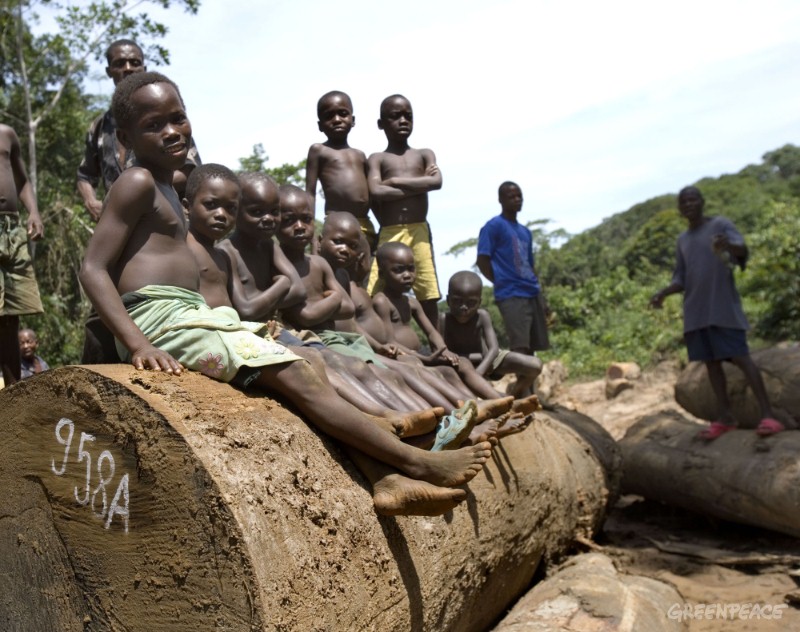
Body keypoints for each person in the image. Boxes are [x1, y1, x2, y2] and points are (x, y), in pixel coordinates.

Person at [78, 71, 492, 516]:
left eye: (178, 118)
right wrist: (138, 344)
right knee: (292, 372)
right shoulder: (137, 182)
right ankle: (417, 463)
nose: (172, 131)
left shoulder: (169, 185)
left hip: (192, 314)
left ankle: (384, 477)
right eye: (154, 125)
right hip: (160, 319)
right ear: (125, 138)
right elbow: (93, 268)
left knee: (311, 361)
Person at [650, 185, 782, 439]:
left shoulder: (720, 225)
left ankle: (768, 415)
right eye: (683, 202)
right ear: (679, 209)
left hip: (722, 308)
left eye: (692, 199)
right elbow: (681, 277)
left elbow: (742, 250)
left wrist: (728, 245)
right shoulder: (682, 240)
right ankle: (725, 417)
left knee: (742, 358)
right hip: (696, 312)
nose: (688, 204)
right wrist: (663, 293)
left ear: (702, 202)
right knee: (711, 364)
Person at [76, 39, 201, 222]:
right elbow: (85, 175)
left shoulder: (166, 115)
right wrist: (91, 201)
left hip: (170, 218)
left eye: (135, 63)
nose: (128, 68)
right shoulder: (100, 126)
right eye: (120, 63)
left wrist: (136, 191)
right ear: (109, 71)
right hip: (122, 222)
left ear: (143, 68)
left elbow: (190, 170)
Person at [366, 94, 442, 327]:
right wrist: (420, 186)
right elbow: (376, 191)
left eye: (408, 116)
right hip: (390, 231)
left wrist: (394, 181)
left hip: (419, 231)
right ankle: (379, 337)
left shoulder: (424, 154)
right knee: (374, 287)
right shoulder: (377, 159)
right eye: (395, 116)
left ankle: (437, 340)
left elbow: (436, 182)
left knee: (428, 290)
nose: (403, 121)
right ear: (381, 123)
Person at [477, 181, 550, 361]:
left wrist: (541, 296)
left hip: (531, 292)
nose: (517, 200)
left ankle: (527, 380)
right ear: (500, 200)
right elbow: (482, 260)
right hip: (511, 293)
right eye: (511, 197)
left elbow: (530, 265)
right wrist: (500, 280)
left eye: (519, 196)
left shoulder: (525, 232)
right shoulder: (493, 226)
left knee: (533, 346)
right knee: (519, 346)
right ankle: (519, 381)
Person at [441, 271, 542, 398]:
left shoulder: (482, 316)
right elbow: (441, 352)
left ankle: (515, 394)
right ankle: (504, 399)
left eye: (471, 302)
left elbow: (493, 349)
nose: (464, 307)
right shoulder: (444, 320)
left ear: (479, 302)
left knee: (535, 365)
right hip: (459, 367)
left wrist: (479, 372)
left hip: (489, 362)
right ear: (448, 300)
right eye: (457, 301)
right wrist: (472, 373)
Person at [0, 123, 44, 386]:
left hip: (11, 230)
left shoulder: (6, 134)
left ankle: (13, 392)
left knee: (10, 314)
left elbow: (23, 180)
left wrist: (34, 212)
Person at [305, 91, 376, 250]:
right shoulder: (319, 150)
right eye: (329, 116)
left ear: (353, 120)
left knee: (366, 263)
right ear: (320, 125)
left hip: (364, 224)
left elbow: (372, 196)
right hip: (336, 224)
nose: (337, 119)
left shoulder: (360, 155)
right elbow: (310, 193)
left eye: (343, 114)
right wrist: (312, 234)